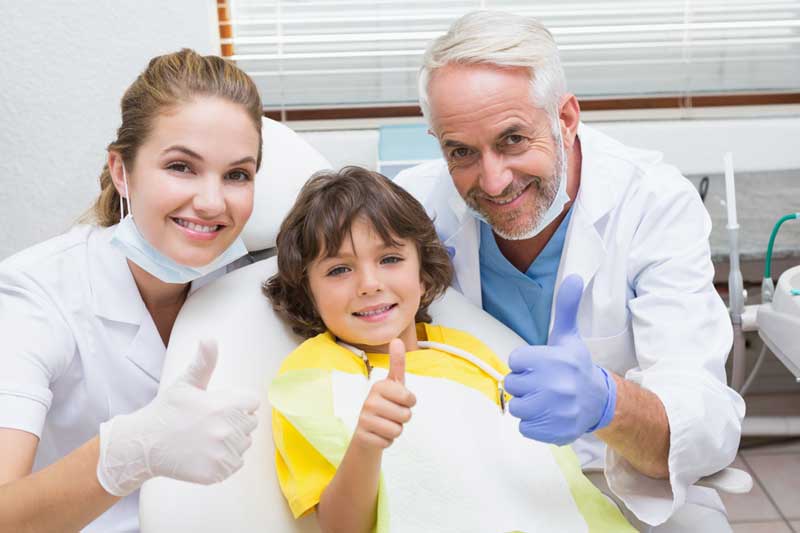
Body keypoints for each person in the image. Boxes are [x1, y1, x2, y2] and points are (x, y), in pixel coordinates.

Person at [394, 10, 746, 531]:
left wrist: (606, 403)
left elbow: (705, 420)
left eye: (513, 139)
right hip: (480, 470)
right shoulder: (414, 207)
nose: (492, 181)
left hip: (620, 474)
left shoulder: (651, 202)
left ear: (566, 118)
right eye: (462, 151)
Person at [264, 167, 635, 533]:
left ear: (423, 273)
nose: (369, 284)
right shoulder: (314, 376)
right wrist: (366, 442)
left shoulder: (466, 350)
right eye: (339, 270)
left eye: (390, 259)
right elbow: (340, 527)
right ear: (306, 291)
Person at [0, 49, 263, 532]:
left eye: (237, 175)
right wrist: (126, 453)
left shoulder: (248, 283)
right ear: (122, 171)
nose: (210, 202)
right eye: (181, 167)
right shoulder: (33, 295)